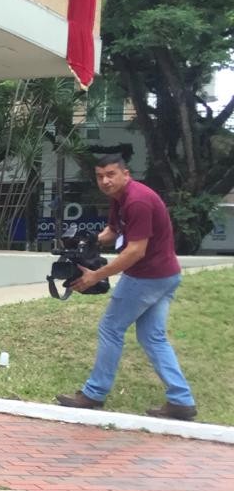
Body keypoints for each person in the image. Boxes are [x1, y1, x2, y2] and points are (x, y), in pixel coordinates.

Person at [55, 153, 197, 420]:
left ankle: (94, 394)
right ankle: (181, 400)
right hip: (166, 275)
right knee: (152, 337)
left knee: (111, 328)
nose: (105, 181)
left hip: (147, 276)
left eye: (111, 174)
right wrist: (86, 242)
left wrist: (96, 275)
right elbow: (113, 232)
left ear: (125, 174)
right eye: (100, 176)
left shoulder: (137, 201)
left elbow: (135, 252)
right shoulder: (121, 199)